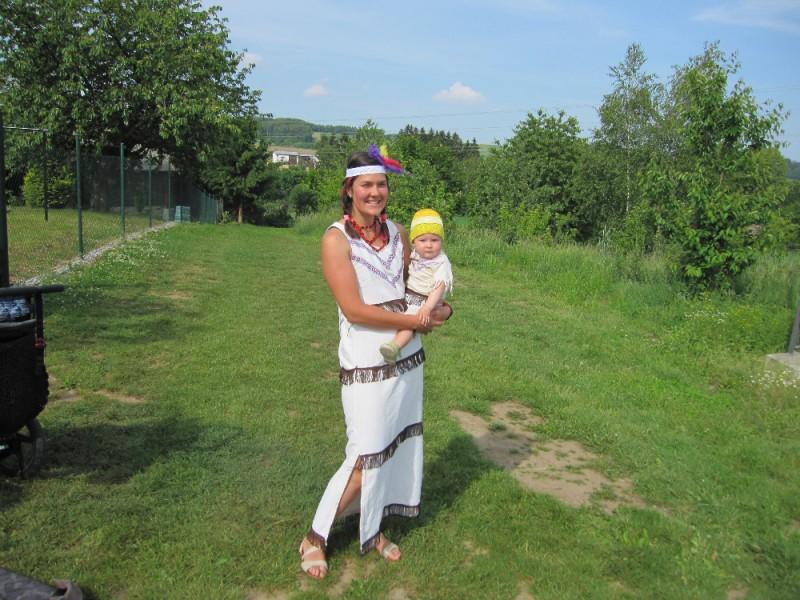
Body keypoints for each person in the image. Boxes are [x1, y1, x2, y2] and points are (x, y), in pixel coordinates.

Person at [299, 145, 452, 579]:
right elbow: (355, 310)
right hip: (366, 361)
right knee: (366, 453)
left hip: (406, 359)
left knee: (392, 448)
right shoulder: (336, 239)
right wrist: (414, 321)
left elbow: (419, 287)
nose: (375, 192)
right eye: (366, 184)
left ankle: (373, 528)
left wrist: (441, 310)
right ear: (349, 190)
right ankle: (315, 537)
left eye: (381, 184)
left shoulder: (400, 234)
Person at [380, 208, 452, 365]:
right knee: (404, 318)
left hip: (425, 300)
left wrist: (427, 307)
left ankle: (394, 347)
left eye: (434, 240)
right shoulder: (415, 254)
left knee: (411, 322)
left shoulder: (441, 262)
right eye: (423, 240)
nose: (429, 245)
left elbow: (439, 287)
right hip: (410, 295)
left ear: (441, 241)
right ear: (413, 242)